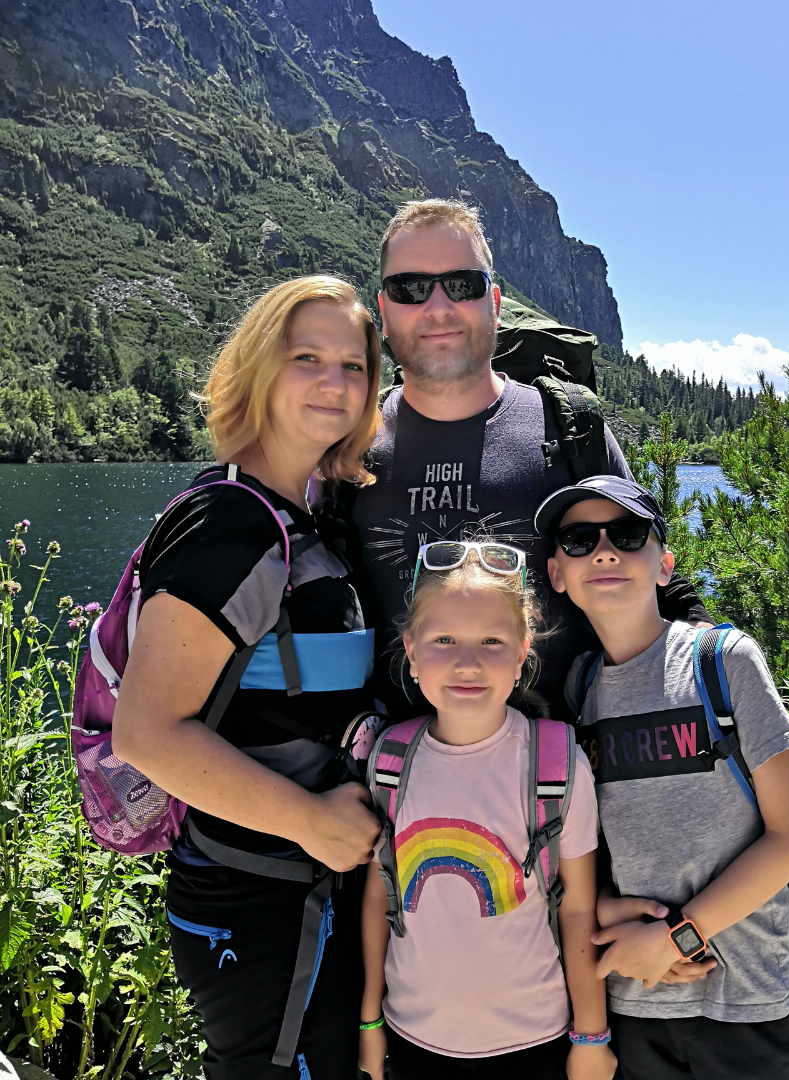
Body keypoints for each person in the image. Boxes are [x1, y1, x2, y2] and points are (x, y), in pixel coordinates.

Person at [112, 276, 385, 1080]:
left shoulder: (305, 517)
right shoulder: (229, 523)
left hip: (302, 892)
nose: (335, 383)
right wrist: (308, 820)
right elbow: (148, 731)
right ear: (262, 367)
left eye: (355, 365)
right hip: (256, 902)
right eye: (307, 358)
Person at [335, 198, 709, 718]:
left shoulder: (570, 427)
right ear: (384, 307)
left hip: (564, 776)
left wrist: (734, 689)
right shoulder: (346, 446)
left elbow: (656, 583)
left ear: (494, 300)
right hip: (392, 780)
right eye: (411, 288)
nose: (437, 306)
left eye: (462, 285)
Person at [536, 475, 789, 1080]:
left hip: (750, 1003)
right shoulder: (579, 691)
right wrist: (604, 909)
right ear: (558, 574)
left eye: (629, 534)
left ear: (663, 565)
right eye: (579, 539)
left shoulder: (723, 662)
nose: (606, 551)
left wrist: (676, 939)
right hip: (637, 999)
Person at [358, 542, 616, 1080]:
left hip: (534, 1042)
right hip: (412, 1039)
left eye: (492, 641)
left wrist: (591, 1037)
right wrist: (369, 1022)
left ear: (523, 652)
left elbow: (576, 910)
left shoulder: (558, 764)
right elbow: (379, 893)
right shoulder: (388, 761)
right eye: (444, 640)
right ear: (410, 648)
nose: (467, 662)